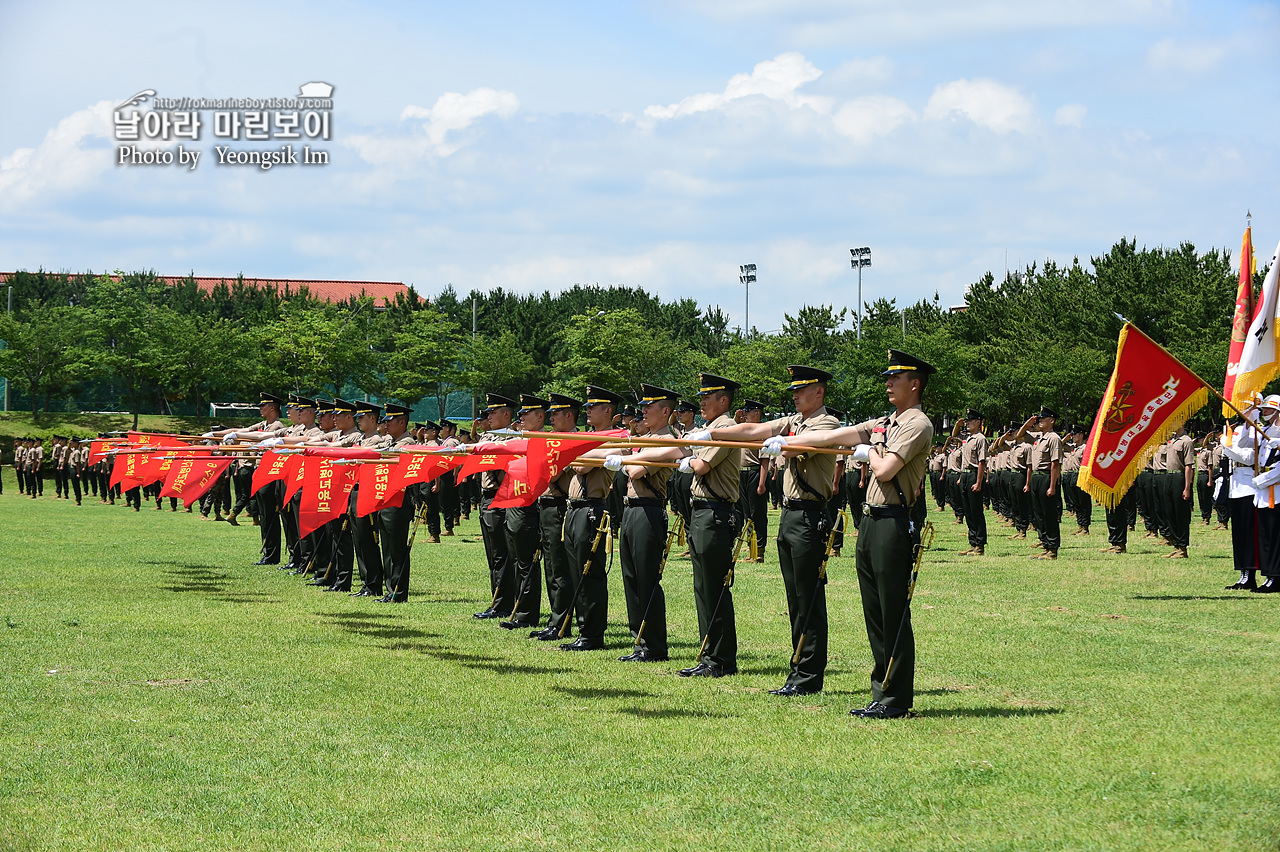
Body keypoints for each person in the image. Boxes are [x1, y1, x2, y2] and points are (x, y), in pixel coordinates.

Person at [779, 349, 935, 719]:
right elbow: (838, 436)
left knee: (892, 611)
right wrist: (791, 443)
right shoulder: (887, 421)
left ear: (914, 384)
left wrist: (868, 450)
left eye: (895, 378)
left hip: (893, 521)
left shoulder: (917, 423)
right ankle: (881, 692)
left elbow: (885, 469)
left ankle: (895, 699)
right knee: (874, 611)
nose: (888, 382)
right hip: (870, 521)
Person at [708, 365, 840, 694]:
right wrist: (711, 434)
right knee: (795, 598)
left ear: (819, 392)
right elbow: (757, 430)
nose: (794, 394)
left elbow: (797, 447)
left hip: (811, 515)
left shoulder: (827, 423)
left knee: (808, 599)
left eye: (802, 389)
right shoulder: (793, 422)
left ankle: (809, 675)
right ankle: (798, 669)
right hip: (791, 516)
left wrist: (778, 441)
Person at [601, 383, 680, 662]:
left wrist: (623, 459)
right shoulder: (646, 439)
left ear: (666, 411)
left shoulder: (667, 441)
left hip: (648, 510)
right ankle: (639, 640)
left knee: (647, 580)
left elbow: (635, 471)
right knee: (631, 578)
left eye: (650, 406)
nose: (643, 411)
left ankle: (654, 645)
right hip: (631, 510)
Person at [676, 373, 742, 677]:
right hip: (702, 511)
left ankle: (722, 659)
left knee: (714, 587)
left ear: (723, 400)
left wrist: (688, 460)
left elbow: (700, 465)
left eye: (707, 397)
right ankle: (709, 654)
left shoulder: (726, 428)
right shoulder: (709, 429)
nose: (701, 402)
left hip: (715, 512)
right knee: (703, 587)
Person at [558, 385, 624, 650]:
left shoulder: (612, 438)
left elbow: (580, 464)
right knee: (575, 571)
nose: (587, 412)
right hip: (574, 508)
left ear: (607, 411)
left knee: (589, 572)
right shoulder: (591, 438)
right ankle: (583, 628)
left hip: (591, 509)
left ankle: (592, 633)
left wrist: (578, 453)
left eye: (592, 408)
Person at [530, 394, 582, 641]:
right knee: (550, 565)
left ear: (569, 416)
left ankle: (562, 621)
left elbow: (548, 474)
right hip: (546, 506)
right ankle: (555, 618)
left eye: (555, 414)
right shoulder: (554, 441)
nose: (551, 418)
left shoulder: (573, 441)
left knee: (560, 566)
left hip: (559, 505)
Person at [501, 395, 550, 630]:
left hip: (529, 507)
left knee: (527, 563)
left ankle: (527, 613)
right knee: (516, 561)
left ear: (540, 417)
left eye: (525, 414)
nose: (521, 418)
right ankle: (518, 608)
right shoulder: (522, 440)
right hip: (513, 504)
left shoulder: (544, 441)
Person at [473, 393, 518, 619]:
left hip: (500, 497)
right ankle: (497, 600)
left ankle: (503, 604)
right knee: (493, 554)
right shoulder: (489, 436)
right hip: (486, 498)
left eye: (493, 412)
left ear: (507, 415)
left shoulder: (511, 438)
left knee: (502, 554)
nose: (488, 416)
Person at [1015, 408, 1063, 559]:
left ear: (1052, 421)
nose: (1040, 421)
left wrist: (1052, 486)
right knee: (1039, 515)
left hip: (1046, 477)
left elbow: (1055, 464)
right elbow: (1019, 436)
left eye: (1043, 418)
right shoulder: (1038, 438)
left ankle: (1053, 548)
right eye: (1039, 419)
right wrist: (1027, 424)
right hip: (1036, 477)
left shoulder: (1054, 438)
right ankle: (1045, 544)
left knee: (1049, 515)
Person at [957, 409, 988, 556]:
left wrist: (979, 482)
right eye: (967, 420)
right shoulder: (968, 438)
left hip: (974, 475)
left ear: (978, 422)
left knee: (976, 512)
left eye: (970, 420)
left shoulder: (980, 439)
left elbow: (981, 462)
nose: (967, 423)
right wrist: (961, 477)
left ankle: (980, 544)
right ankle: (973, 542)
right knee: (968, 512)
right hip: (965, 476)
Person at [1162, 423, 1195, 558]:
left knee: (1180, 513)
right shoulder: (1172, 440)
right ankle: (1176, 544)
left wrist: (1187, 488)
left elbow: (1188, 466)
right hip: (1168, 476)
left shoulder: (1186, 441)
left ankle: (1182, 546)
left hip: (1179, 476)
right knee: (1170, 513)